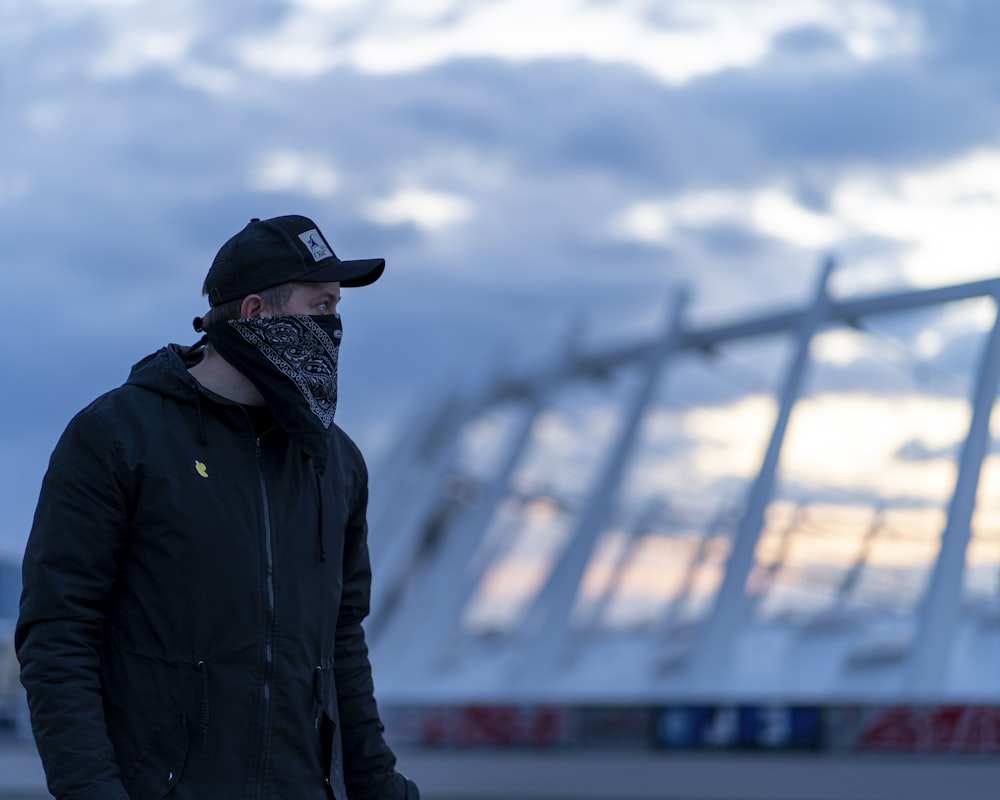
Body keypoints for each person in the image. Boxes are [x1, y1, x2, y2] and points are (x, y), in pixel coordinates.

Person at [16, 215, 420, 800]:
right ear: (256, 314)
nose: (334, 327)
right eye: (322, 306)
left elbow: (341, 642)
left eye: (337, 309)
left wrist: (379, 785)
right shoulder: (117, 437)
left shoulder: (335, 461)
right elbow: (58, 635)